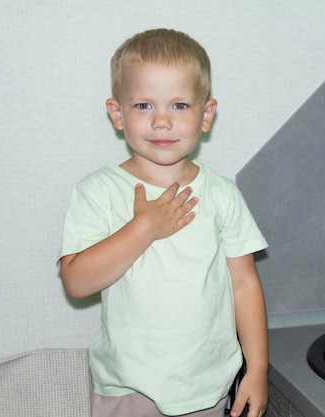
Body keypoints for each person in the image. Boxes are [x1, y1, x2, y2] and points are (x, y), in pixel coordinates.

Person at [59, 28, 269, 417]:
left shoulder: (221, 193)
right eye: (143, 106)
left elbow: (244, 284)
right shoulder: (98, 191)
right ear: (117, 114)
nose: (160, 122)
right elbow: (76, 282)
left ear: (206, 115)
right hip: (129, 388)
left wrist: (256, 369)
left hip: (209, 385)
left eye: (179, 106)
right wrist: (144, 229)